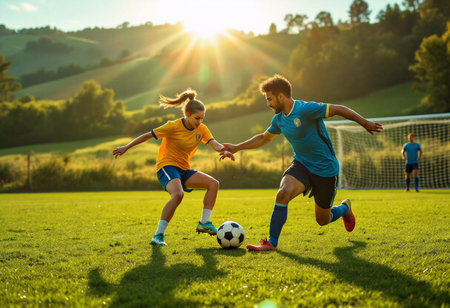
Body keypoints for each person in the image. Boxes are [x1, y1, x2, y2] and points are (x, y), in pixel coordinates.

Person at [222, 75, 383, 251]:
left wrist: (364, 123)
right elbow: (263, 138)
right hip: (302, 165)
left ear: (281, 96)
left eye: (269, 99)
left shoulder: (306, 109)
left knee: (323, 220)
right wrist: (237, 147)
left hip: (325, 169)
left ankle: (344, 209)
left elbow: (338, 108)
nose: (268, 104)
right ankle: (271, 243)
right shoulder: (279, 119)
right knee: (282, 194)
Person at [113, 89, 234, 246]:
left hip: (184, 169)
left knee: (213, 184)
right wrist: (126, 147)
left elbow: (214, 143)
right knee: (178, 195)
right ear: (187, 115)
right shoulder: (173, 126)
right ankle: (158, 235)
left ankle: (204, 223)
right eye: (197, 118)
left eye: (202, 118)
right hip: (166, 166)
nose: (200, 122)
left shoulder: (201, 129)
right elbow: (147, 135)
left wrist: (224, 150)